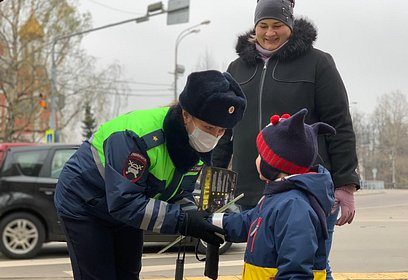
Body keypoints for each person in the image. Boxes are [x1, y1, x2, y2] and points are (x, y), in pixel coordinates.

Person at [212, 0, 360, 278]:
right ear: (254, 28)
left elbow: (339, 124)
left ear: (290, 25)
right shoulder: (237, 68)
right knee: (261, 263)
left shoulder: (318, 63)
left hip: (306, 192)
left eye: (277, 25)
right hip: (251, 190)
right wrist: (214, 174)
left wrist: (346, 184)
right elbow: (223, 130)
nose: (270, 33)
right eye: (263, 26)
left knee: (308, 264)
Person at [54, 70, 247, 280]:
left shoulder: (195, 142)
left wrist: (201, 220)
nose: (214, 136)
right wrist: (184, 221)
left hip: (130, 206)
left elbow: (179, 192)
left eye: (222, 131)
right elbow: (124, 202)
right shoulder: (136, 136)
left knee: (129, 273)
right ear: (186, 115)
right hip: (85, 203)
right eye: (209, 127)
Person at [212, 108, 336, 280]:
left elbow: (296, 271)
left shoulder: (294, 206)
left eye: (260, 155)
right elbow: (251, 222)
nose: (256, 159)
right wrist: (213, 221)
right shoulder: (279, 196)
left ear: (273, 164)